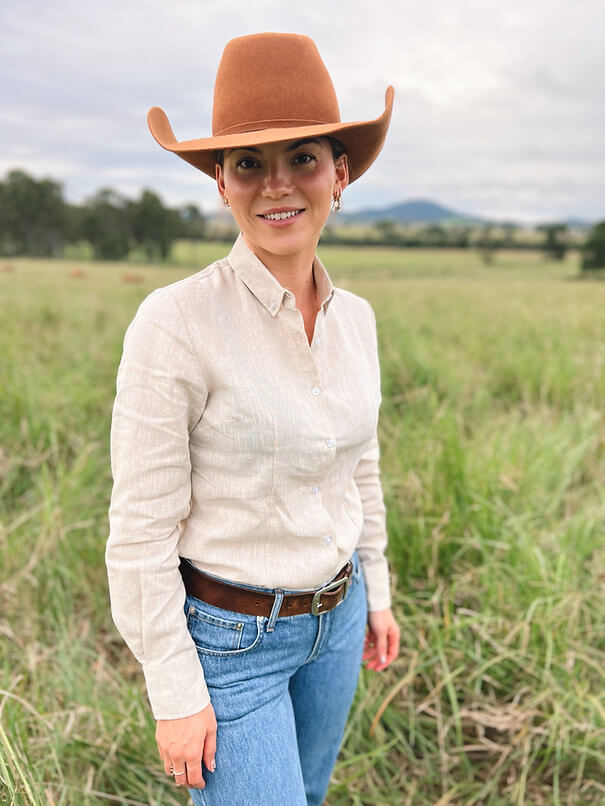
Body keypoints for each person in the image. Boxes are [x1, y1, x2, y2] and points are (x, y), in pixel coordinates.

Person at [105, 31, 400, 806]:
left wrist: (378, 591)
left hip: (338, 623)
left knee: (306, 791)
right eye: (248, 164)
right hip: (231, 644)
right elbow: (139, 530)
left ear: (339, 174)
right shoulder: (174, 322)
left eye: (302, 158)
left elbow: (359, 467)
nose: (277, 185)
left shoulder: (357, 320)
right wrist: (174, 689)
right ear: (219, 182)